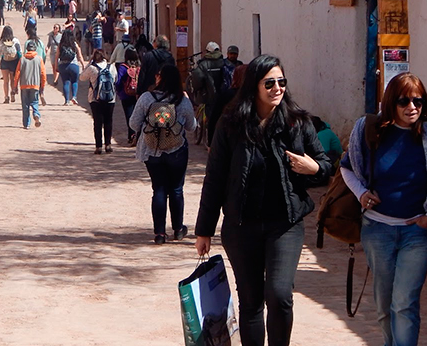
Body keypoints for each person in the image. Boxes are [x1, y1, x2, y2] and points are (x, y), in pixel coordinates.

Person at [195, 54, 331, 346]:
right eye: (269, 83)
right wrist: (204, 229)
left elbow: (325, 166)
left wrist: (315, 168)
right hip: (241, 226)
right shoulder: (231, 125)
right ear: (254, 87)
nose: (277, 88)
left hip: (285, 224)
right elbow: (215, 177)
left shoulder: (299, 123)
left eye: (282, 82)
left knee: (279, 294)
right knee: (252, 301)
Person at [341, 73, 427, 346]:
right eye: (404, 101)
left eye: (418, 101)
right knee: (385, 305)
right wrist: (361, 194)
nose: (412, 107)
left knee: (404, 303)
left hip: (417, 234)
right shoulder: (369, 129)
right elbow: (347, 168)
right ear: (390, 103)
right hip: (377, 231)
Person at [131, 64, 197, 243]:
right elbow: (191, 127)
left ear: (161, 78)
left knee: (158, 189)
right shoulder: (182, 101)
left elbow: (133, 124)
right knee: (176, 189)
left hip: (152, 151)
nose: (155, 77)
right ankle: (178, 229)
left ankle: (159, 233)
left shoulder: (147, 98)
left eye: (158, 74)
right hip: (176, 150)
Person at [79, 49, 118, 154]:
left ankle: (98, 146)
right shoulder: (111, 67)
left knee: (97, 122)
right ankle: (108, 145)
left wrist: (89, 64)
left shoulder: (92, 68)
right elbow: (116, 79)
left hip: (95, 99)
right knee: (108, 121)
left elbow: (82, 77)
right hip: (110, 98)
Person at [191, 41, 227, 144]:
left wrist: (197, 89)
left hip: (208, 96)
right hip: (223, 96)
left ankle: (210, 141)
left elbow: (197, 79)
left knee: (210, 117)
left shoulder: (203, 64)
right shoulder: (223, 63)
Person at [207, 64, 247, 147]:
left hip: (230, 139)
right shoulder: (255, 95)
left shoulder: (227, 95)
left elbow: (214, 119)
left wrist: (210, 143)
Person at [14, 40, 47, 129]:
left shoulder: (22, 59)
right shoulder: (39, 59)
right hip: (35, 85)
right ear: (35, 49)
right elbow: (43, 74)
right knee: (35, 101)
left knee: (25, 105)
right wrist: (42, 86)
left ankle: (26, 124)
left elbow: (17, 73)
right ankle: (36, 114)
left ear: (27, 49)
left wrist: (15, 86)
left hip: (24, 85)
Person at [115, 46, 141, 145]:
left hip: (126, 94)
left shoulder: (123, 67)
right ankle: (138, 135)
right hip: (138, 94)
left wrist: (118, 92)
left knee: (129, 116)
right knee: (138, 115)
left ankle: (131, 136)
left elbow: (119, 81)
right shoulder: (139, 66)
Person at [55, 28, 84, 106]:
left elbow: (56, 57)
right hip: (73, 65)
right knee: (74, 81)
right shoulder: (74, 44)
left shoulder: (60, 45)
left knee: (65, 82)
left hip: (63, 65)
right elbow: (80, 56)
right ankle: (74, 97)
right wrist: (83, 65)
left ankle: (66, 100)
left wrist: (56, 66)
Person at [0, 25, 21, 103]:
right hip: (13, 62)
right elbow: (20, 51)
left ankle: (6, 97)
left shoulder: (1, 41)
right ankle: (12, 94)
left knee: (5, 81)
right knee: (12, 79)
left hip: (4, 62)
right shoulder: (15, 40)